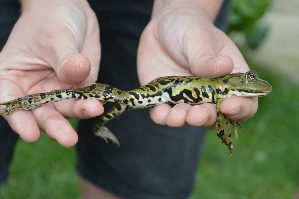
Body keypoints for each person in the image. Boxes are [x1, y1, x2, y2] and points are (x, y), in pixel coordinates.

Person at [0, 0, 258, 198]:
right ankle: (29, 105)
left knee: (139, 179)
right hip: (152, 91)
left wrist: (186, 9)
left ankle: (98, 125)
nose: (251, 83)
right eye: (248, 80)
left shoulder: (221, 92)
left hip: (155, 16)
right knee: (80, 93)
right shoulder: (219, 92)